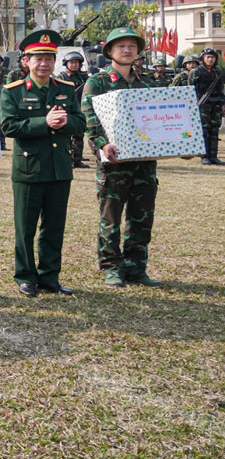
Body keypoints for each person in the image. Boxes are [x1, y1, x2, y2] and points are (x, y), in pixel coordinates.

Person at [1, 29, 85, 298]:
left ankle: (50, 276)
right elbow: (8, 126)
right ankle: (26, 276)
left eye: (49, 59)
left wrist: (66, 123)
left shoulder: (65, 89)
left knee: (54, 227)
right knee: (25, 227)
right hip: (29, 169)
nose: (44, 64)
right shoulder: (13, 91)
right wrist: (44, 123)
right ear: (27, 61)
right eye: (38, 59)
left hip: (59, 168)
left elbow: (80, 123)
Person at [82, 28, 166, 288]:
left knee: (142, 217)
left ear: (138, 51)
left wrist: (177, 142)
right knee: (111, 218)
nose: (127, 50)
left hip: (144, 163)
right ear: (110, 51)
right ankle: (111, 267)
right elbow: (90, 119)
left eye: (132, 46)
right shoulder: (97, 82)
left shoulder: (146, 83)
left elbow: (159, 119)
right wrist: (102, 144)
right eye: (121, 46)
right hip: (114, 162)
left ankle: (136, 267)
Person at [189, 47, 224, 166]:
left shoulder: (218, 71)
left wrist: (223, 104)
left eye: (213, 57)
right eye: (208, 57)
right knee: (204, 131)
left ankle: (213, 157)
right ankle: (204, 156)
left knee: (214, 130)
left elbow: (221, 89)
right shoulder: (196, 71)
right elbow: (190, 89)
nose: (210, 59)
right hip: (203, 105)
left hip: (216, 104)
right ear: (203, 58)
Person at [59, 51, 90, 168]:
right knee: (67, 136)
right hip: (66, 109)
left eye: (76, 62)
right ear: (66, 64)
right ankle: (67, 160)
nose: (74, 65)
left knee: (79, 135)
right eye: (71, 62)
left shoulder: (83, 78)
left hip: (80, 109)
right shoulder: (61, 77)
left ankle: (77, 159)